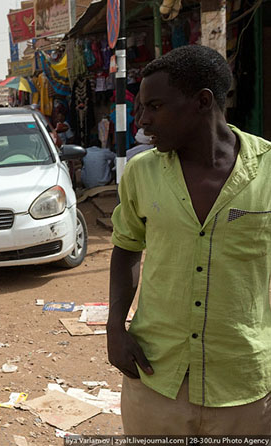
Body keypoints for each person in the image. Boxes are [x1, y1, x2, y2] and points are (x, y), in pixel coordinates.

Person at [108, 45, 271, 435]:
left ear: (202, 102)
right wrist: (115, 327)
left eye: (155, 107)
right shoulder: (141, 173)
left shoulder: (267, 171)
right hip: (156, 377)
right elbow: (127, 246)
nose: (143, 122)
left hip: (244, 385)